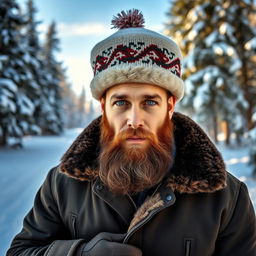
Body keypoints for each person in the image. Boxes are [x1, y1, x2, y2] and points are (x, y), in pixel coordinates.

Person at [7, 9, 256, 256]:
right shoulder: (62, 184)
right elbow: (21, 251)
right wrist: (78, 253)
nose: (135, 120)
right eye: (121, 102)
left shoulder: (226, 197)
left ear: (169, 107)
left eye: (149, 102)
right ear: (104, 107)